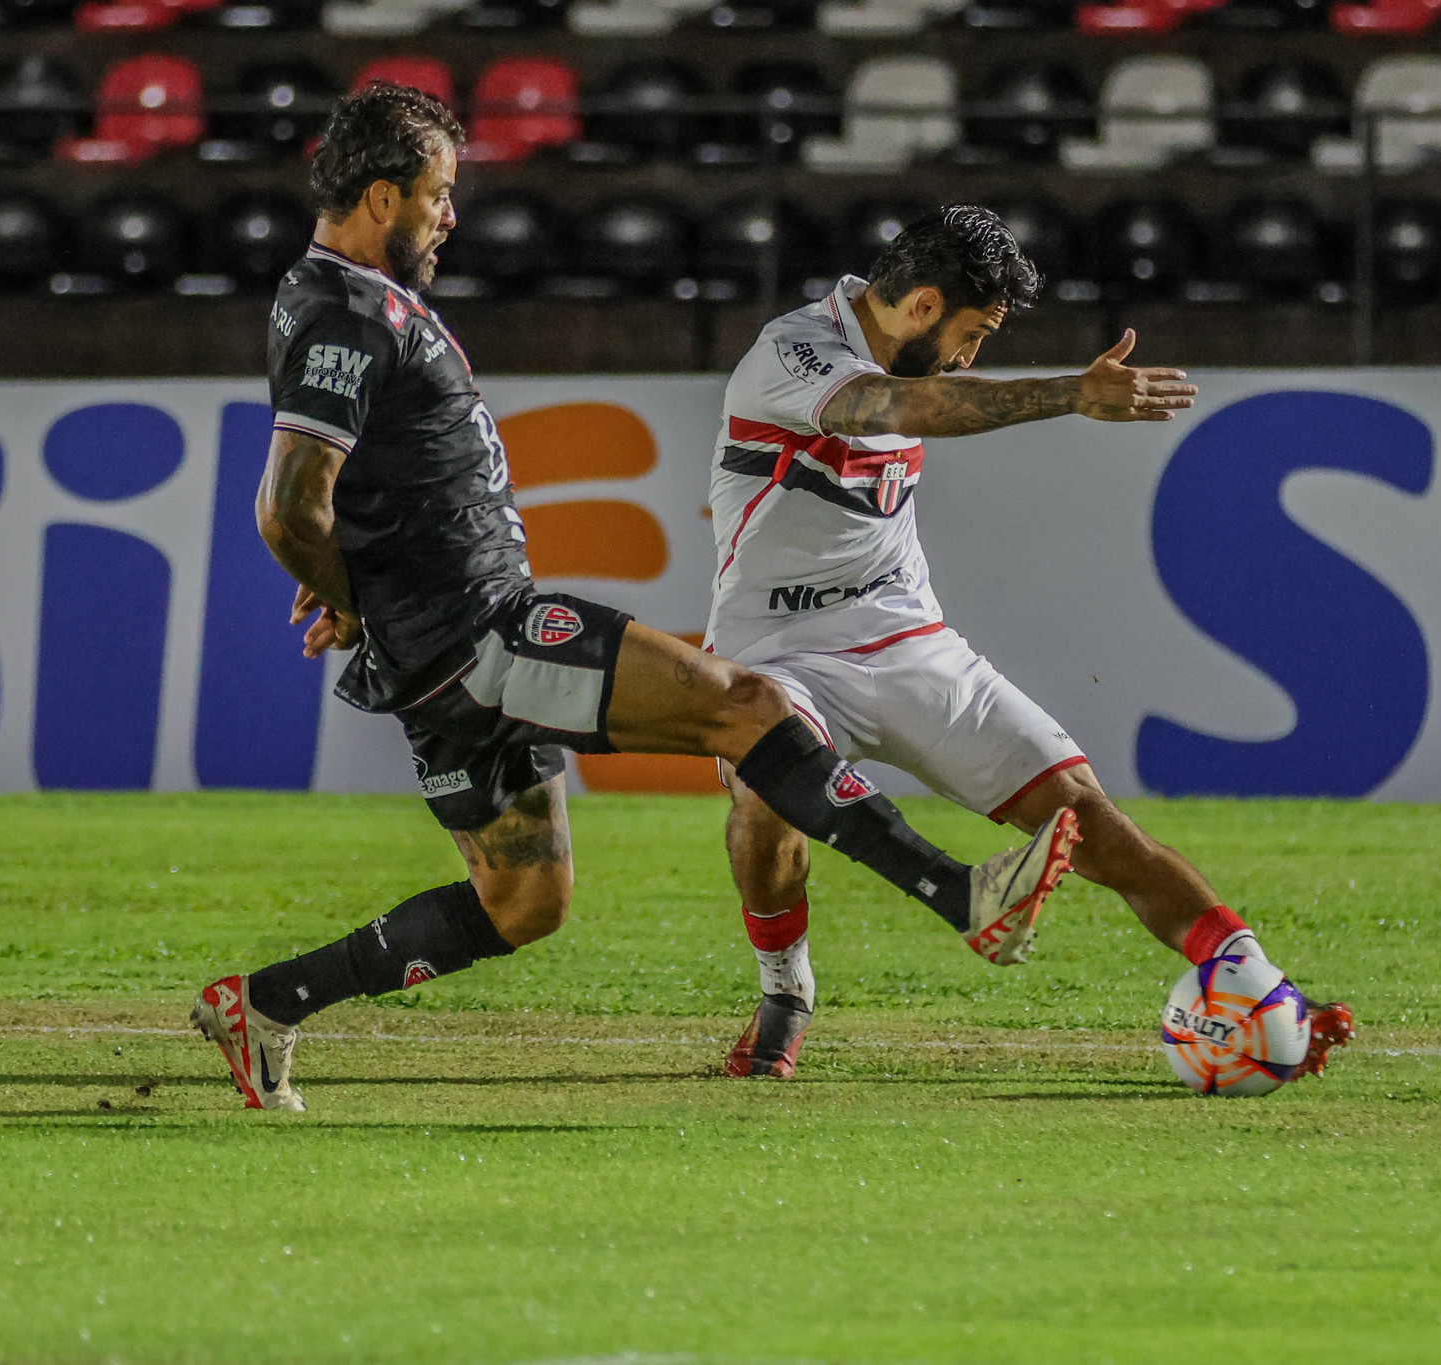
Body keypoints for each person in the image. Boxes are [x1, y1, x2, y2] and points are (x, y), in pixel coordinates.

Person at [190, 86, 1085, 1112]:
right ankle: (958, 894)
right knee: (748, 706)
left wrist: (354, 596)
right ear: (384, 196)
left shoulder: (358, 301)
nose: (450, 216)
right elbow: (287, 508)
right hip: (479, 632)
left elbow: (329, 512)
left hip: (438, 654)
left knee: (524, 901)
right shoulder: (341, 309)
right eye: (439, 196)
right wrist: (359, 595)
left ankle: (263, 1005)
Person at [706, 206, 1354, 1081]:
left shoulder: (902, 346)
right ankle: (785, 992)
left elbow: (923, 396)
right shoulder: (791, 353)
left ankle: (1256, 982)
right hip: (773, 649)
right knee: (763, 800)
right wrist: (1067, 394)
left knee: (1087, 820)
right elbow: (894, 405)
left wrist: (1268, 1000)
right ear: (924, 306)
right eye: (972, 336)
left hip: (905, 636)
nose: (972, 358)